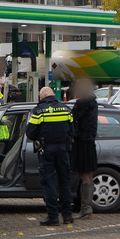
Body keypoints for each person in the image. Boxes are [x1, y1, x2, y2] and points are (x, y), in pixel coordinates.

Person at [26, 86, 75, 226]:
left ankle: (53, 217)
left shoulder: (39, 111)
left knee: (48, 182)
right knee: (64, 182)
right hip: (63, 149)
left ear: (41, 97)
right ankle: (67, 216)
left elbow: (30, 133)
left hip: (46, 150)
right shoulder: (66, 109)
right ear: (53, 95)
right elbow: (72, 130)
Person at [71, 79, 99, 219]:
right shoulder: (93, 102)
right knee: (88, 176)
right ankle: (86, 207)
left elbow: (71, 118)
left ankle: (86, 208)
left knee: (84, 175)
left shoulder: (82, 103)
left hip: (82, 142)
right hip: (89, 142)